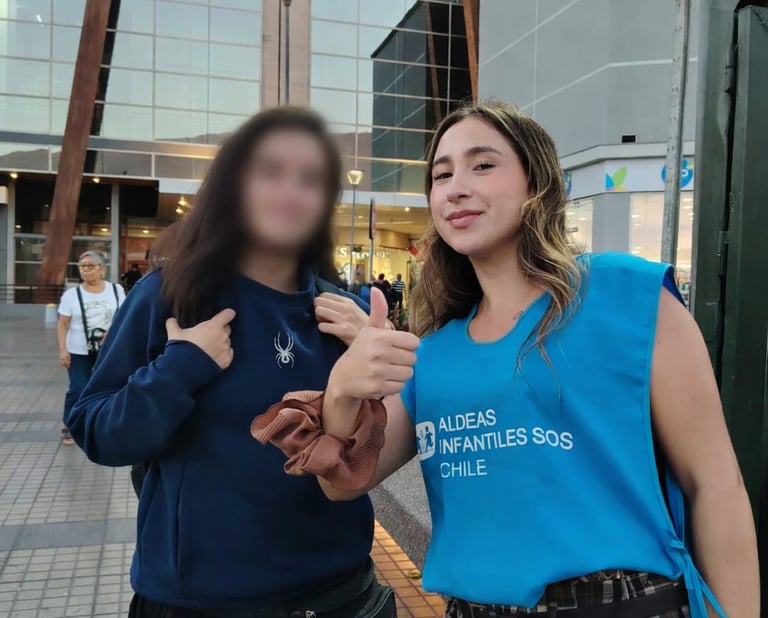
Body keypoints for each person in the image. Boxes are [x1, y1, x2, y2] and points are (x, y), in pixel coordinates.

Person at [255, 103, 759, 617]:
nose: (456, 188)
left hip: (624, 604)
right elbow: (343, 483)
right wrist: (344, 389)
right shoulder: (434, 354)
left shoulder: (627, 295)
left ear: (536, 181)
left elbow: (716, 486)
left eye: (483, 165)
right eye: (441, 175)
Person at [66, 107, 396, 618]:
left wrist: (380, 358)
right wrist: (178, 368)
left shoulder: (342, 314)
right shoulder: (172, 297)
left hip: (339, 594)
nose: (290, 192)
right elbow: (96, 430)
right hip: (201, 600)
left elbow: (372, 454)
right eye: (270, 172)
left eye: (310, 179)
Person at [57, 251, 125, 445]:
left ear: (102, 269)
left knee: (109, 386)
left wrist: (112, 331)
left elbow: (123, 315)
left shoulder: (116, 290)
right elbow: (63, 323)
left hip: (108, 349)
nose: (86, 270)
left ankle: (104, 424)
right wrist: (63, 349)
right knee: (78, 388)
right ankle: (69, 424)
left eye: (91, 266)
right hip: (79, 349)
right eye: (82, 266)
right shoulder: (71, 295)